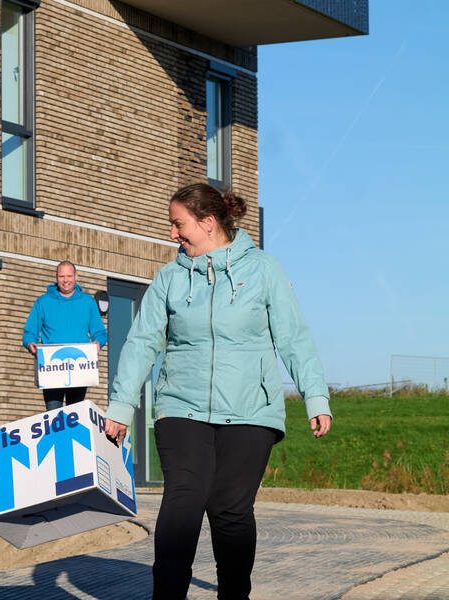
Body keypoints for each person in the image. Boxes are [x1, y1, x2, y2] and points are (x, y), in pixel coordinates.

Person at [103, 183, 332, 600]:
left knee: (229, 509)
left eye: (178, 224)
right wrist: (120, 404)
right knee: (183, 501)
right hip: (181, 407)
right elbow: (141, 342)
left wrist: (315, 396)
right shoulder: (170, 278)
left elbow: (293, 337)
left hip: (250, 410)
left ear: (207, 223)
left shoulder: (264, 270)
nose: (172, 234)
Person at [22, 260, 108, 410]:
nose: (65, 280)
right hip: (51, 367)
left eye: (69, 276)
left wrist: (98, 343)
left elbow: (100, 332)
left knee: (75, 414)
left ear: (76, 276)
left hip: (80, 368)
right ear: (56, 277)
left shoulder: (88, 302)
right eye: (62, 276)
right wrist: (31, 344)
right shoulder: (43, 302)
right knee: (53, 415)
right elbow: (29, 332)